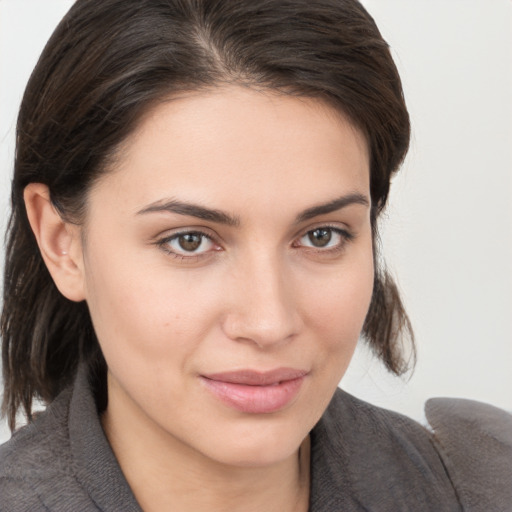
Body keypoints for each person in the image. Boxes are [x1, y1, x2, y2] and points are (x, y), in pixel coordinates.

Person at [0, 0, 510, 510]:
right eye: (189, 241)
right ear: (61, 242)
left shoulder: (484, 488)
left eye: (321, 236)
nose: (268, 323)